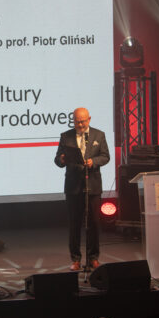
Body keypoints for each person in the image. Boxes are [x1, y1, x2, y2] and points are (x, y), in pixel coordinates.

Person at [54, 107, 110, 271]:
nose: (80, 124)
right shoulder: (66, 136)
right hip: (73, 186)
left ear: (89, 119)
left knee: (94, 223)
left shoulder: (99, 135)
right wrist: (61, 159)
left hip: (93, 185)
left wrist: (94, 161)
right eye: (77, 121)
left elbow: (105, 156)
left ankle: (93, 258)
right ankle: (76, 259)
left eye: (83, 121)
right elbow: (57, 160)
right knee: (74, 224)